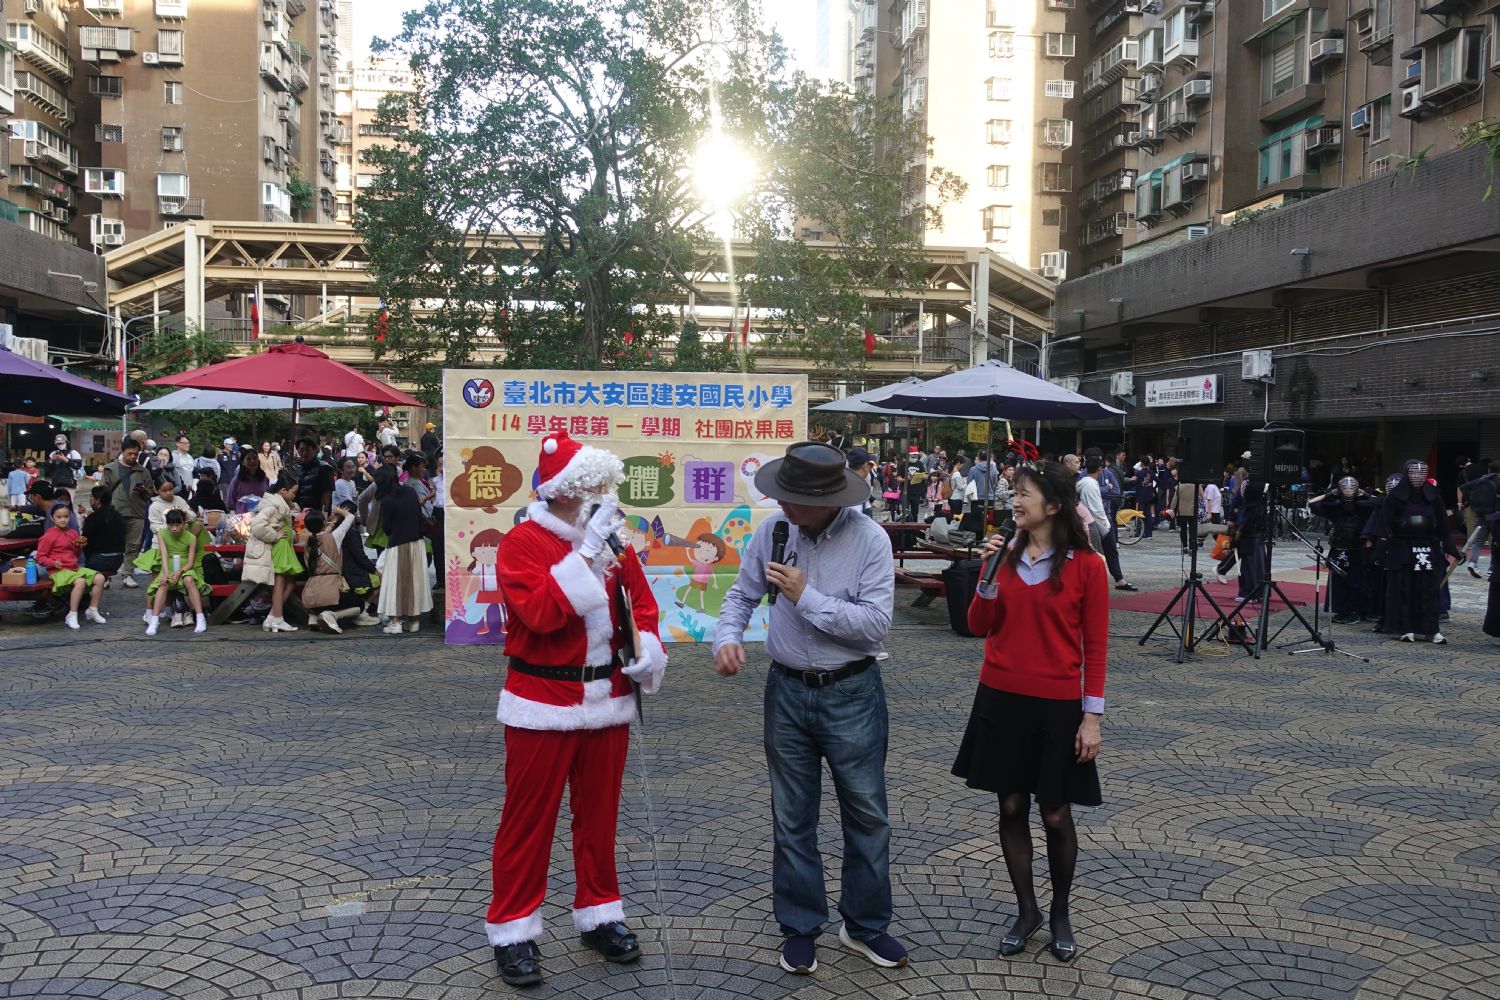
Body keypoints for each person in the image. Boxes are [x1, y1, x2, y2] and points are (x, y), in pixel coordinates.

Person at [713, 442, 907, 976]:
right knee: (792, 816)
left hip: (853, 692)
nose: (783, 505)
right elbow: (741, 596)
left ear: (828, 500)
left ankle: (865, 925)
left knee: (867, 816)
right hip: (787, 691)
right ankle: (800, 927)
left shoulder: (869, 539)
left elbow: (875, 626)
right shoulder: (774, 531)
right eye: (782, 495)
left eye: (793, 498)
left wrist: (806, 596)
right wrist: (727, 638)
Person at [484, 431, 667, 987]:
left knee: (600, 818)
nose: (602, 492)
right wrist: (586, 554)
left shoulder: (612, 539)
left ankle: (600, 914)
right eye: (591, 482)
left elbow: (642, 603)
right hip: (542, 701)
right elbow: (541, 614)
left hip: (607, 700)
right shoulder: (523, 542)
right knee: (527, 821)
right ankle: (513, 930)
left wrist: (647, 647)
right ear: (563, 488)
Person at [955, 460, 1105, 963]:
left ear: (1054, 505)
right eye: (1013, 492)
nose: (1014, 501)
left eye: (1024, 494)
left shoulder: (1087, 566)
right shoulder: (1003, 556)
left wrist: (1092, 717)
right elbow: (978, 625)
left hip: (1058, 703)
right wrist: (988, 575)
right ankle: (1027, 911)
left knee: (1056, 812)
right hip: (1000, 697)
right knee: (1011, 806)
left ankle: (1060, 912)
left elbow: (1096, 647)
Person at [1368, 460, 1459, 643]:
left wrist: (1450, 547)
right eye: (1414, 473)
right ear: (1407, 474)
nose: (1418, 476)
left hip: (1428, 546)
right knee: (1403, 588)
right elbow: (1385, 523)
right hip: (1402, 546)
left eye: (1421, 473)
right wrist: (1380, 549)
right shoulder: (1395, 496)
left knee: (1428, 590)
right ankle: (1405, 627)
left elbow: (1442, 524)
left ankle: (1430, 629)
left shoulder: (1433, 496)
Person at [1310, 477, 1379, 624]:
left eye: (1352, 487)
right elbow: (1312, 503)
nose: (1348, 490)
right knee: (1338, 581)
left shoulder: (1364, 506)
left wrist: (1365, 494)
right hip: (1339, 547)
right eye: (1344, 487)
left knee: (1358, 581)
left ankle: (1357, 610)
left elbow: (1381, 503)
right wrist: (1330, 494)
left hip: (1358, 549)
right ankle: (1342, 610)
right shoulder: (1335, 506)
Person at [372, 465, 431, 634]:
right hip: (417, 543)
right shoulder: (410, 492)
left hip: (397, 545)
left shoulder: (387, 500)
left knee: (394, 583)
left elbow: (387, 527)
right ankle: (414, 622)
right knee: (415, 582)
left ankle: (395, 622)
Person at [244, 472, 303, 633]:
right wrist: (274, 535)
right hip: (279, 545)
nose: (294, 495)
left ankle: (272, 617)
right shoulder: (272, 506)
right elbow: (257, 526)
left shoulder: (280, 504)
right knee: (280, 582)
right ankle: (278, 618)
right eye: (293, 492)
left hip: (284, 545)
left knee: (289, 582)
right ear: (283, 490)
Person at [36, 503, 109, 630]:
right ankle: (72, 614)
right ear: (52, 518)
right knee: (80, 581)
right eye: (59, 517)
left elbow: (74, 552)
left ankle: (93, 609)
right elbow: (40, 557)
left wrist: (79, 546)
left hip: (73, 568)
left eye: (66, 516)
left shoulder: (73, 533)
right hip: (57, 571)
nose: (63, 520)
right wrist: (52, 563)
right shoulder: (48, 536)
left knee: (100, 578)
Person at [301, 507, 373, 633]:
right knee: (359, 605)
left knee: (321, 603)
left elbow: (320, 534)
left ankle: (314, 616)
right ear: (324, 523)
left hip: (311, 594)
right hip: (330, 592)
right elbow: (350, 517)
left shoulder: (308, 542)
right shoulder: (334, 538)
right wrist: (340, 512)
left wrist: (332, 522)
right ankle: (332, 615)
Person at [141, 509, 209, 635]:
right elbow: (164, 555)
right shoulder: (162, 534)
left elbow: (190, 562)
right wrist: (166, 573)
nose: (174, 528)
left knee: (189, 580)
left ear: (184, 524)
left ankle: (200, 618)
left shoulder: (191, 537)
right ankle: (154, 621)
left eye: (177, 525)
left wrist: (180, 572)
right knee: (163, 583)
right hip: (168, 565)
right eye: (170, 525)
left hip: (185, 567)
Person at [97, 440, 153, 588]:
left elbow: (150, 493)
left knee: (134, 545)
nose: (133, 456)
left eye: (136, 454)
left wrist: (144, 491)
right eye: (130, 453)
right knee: (111, 545)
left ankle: (128, 574)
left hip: (136, 512)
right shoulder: (110, 469)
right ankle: (106, 576)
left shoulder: (143, 471)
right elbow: (103, 491)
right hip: (115, 512)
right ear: (122, 452)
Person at [336, 501, 382, 620]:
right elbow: (359, 556)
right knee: (381, 580)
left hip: (343, 568)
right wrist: (374, 569)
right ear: (353, 515)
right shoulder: (351, 532)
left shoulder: (334, 529)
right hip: (353, 571)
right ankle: (364, 609)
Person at [1458, 459, 1497, 577]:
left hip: (1480, 513)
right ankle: (1492, 568)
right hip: (1495, 515)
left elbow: (1463, 487)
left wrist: (1472, 498)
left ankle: (1472, 562)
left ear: (1489, 470)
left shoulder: (1481, 480)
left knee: (1478, 541)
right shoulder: (1498, 481)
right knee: (1495, 542)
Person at [82, 486, 127, 582]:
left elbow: (86, 543)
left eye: (91, 496)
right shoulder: (118, 515)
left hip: (99, 560)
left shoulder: (93, 518)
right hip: (118, 560)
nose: (90, 499)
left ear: (97, 500)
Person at [294, 437, 335, 513]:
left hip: (315, 515)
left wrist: (323, 514)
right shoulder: (297, 468)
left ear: (314, 450)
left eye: (307, 450)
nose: (304, 453)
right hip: (299, 513)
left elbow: (327, 494)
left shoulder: (324, 468)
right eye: (301, 450)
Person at [46, 434, 82, 502]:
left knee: (67, 503)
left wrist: (65, 460)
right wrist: (51, 460)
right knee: (57, 503)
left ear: (66, 442)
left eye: (62, 443)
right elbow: (47, 468)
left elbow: (77, 466)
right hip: (56, 484)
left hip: (69, 484)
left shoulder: (73, 453)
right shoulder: (53, 453)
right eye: (58, 443)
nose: (60, 445)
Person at [901, 446, 927, 523]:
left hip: (916, 491)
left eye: (916, 455)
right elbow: (898, 478)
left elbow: (925, 475)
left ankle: (914, 525)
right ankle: (905, 525)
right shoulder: (903, 464)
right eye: (913, 455)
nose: (915, 457)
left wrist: (921, 476)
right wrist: (907, 479)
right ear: (909, 455)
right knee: (905, 511)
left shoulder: (919, 463)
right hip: (906, 491)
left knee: (915, 512)